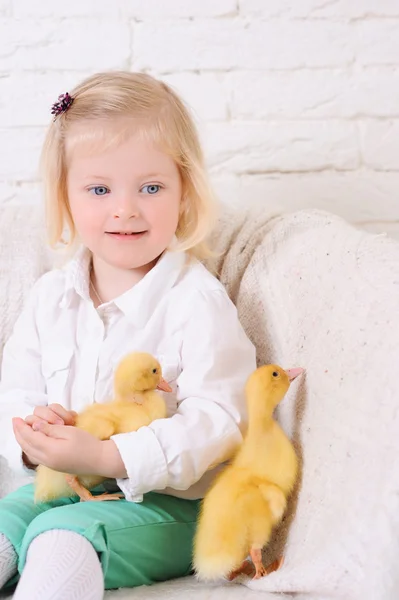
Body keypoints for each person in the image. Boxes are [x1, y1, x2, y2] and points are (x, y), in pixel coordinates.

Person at [0, 72, 256, 599]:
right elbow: (15, 391)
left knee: (62, 535)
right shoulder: (52, 295)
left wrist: (105, 458)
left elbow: (222, 419)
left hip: (168, 506)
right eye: (99, 189)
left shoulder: (196, 302)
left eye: (151, 187)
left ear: (185, 191)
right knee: (9, 518)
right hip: (66, 487)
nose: (125, 209)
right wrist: (35, 437)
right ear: (65, 196)